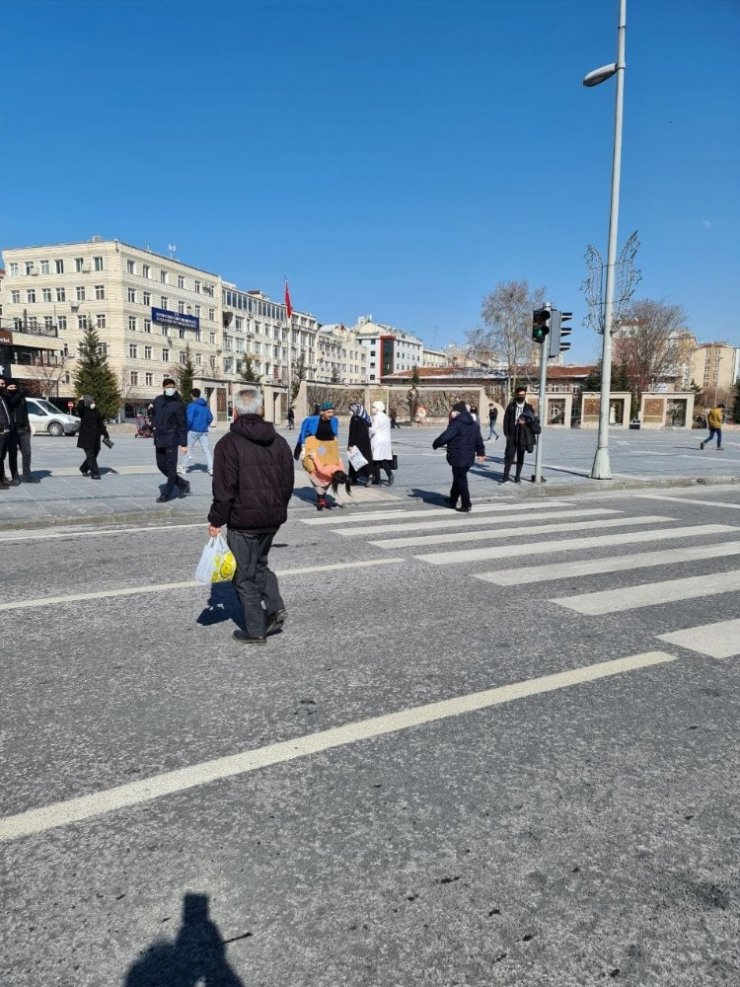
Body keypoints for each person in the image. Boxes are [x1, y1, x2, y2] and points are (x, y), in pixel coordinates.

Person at [208, 386, 294, 644]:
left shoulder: (228, 444)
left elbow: (223, 488)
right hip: (272, 518)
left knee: (243, 575)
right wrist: (278, 508)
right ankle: (275, 606)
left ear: (234, 411)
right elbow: (288, 481)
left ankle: (256, 629)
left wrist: (215, 520)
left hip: (243, 520)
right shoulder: (279, 441)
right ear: (261, 410)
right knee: (259, 564)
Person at [432, 401, 486, 512]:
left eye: (453, 411)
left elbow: (445, 436)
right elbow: (479, 440)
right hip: (468, 457)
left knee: (461, 480)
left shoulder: (456, 424)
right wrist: (481, 453)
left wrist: (436, 443)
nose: (452, 413)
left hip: (458, 456)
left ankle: (466, 504)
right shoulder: (473, 424)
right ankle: (452, 500)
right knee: (458, 479)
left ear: (458, 412)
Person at [152, 377, 189, 502]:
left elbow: (182, 424)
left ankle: (166, 494)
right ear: (163, 387)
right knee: (161, 465)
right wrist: (153, 426)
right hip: (159, 438)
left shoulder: (178, 404)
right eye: (167, 386)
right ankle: (182, 483)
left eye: (172, 386)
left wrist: (183, 443)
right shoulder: (158, 400)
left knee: (171, 468)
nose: (170, 388)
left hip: (172, 439)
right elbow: (153, 414)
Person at [2, 380, 39, 484]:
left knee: (27, 452)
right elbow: (11, 402)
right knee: (12, 454)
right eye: (11, 387)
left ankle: (27, 475)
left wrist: (28, 425)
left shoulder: (21, 397)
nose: (14, 388)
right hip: (12, 430)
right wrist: (12, 392)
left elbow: (25, 412)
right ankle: (15, 476)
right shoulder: (5, 396)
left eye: (15, 386)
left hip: (23, 429)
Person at [501, 386, 537, 484]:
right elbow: (506, 420)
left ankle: (517, 477)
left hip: (523, 435)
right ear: (516, 395)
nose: (521, 396)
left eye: (523, 395)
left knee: (521, 456)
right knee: (509, 456)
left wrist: (525, 422)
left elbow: (533, 420)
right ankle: (505, 477)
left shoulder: (529, 407)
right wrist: (507, 434)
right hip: (512, 435)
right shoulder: (511, 406)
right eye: (520, 395)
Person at [179, 387, 214, 475]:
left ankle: (183, 467)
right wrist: (206, 424)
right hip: (204, 431)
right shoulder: (205, 406)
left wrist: (186, 429)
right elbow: (210, 417)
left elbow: (189, 419)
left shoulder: (192, 406)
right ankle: (211, 468)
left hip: (193, 430)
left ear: (192, 395)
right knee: (206, 449)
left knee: (188, 449)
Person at [76, 395, 110, 480]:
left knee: (94, 454)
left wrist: (106, 435)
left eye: (94, 401)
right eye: (92, 401)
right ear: (88, 402)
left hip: (96, 438)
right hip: (86, 438)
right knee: (91, 455)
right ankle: (95, 473)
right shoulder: (83, 411)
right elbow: (79, 408)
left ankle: (83, 468)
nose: (94, 403)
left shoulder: (96, 411)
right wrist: (81, 400)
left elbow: (100, 424)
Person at [347, 402, 373, 487]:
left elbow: (352, 433)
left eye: (351, 409)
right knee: (365, 459)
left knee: (354, 460)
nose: (350, 411)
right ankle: (369, 474)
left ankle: (353, 479)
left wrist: (350, 445)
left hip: (356, 443)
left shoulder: (355, 418)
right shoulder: (365, 418)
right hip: (365, 443)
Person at [369, 400, 394, 486]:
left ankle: (378, 479)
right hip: (385, 440)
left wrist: (367, 427)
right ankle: (389, 474)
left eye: (373, 407)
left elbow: (373, 430)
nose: (372, 408)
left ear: (377, 408)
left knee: (376, 460)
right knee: (382, 459)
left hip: (377, 440)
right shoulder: (386, 417)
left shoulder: (376, 417)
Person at [0, 378, 11, 491]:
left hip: (6, 430)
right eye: (1, 384)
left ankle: (3, 477)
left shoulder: (2, 397)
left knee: (2, 456)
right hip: (1, 430)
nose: (4, 386)